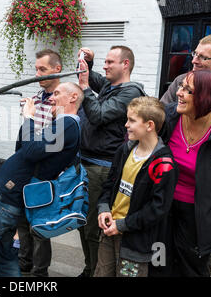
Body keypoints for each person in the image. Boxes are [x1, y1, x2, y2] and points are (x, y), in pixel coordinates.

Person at [0, 82, 84, 277]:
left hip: (3, 199)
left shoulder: (67, 123)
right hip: (9, 198)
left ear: (73, 98)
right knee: (4, 258)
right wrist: (28, 122)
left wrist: (29, 118)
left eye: (57, 93)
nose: (51, 98)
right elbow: (24, 149)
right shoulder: (63, 124)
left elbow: (30, 150)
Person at [153, 70, 211, 277]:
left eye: (187, 90)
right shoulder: (168, 117)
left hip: (198, 218)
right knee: (158, 264)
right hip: (162, 209)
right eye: (181, 87)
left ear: (207, 97)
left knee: (191, 270)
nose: (179, 93)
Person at [75, 45, 146, 277]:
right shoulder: (110, 84)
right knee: (83, 224)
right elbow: (94, 79)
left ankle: (96, 271)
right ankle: (89, 268)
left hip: (102, 168)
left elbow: (98, 115)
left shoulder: (130, 92)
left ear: (125, 65)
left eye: (109, 63)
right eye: (104, 62)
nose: (105, 67)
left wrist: (84, 87)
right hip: (87, 163)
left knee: (94, 229)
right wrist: (90, 64)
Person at [94, 96, 178, 277]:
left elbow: (157, 209)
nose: (126, 125)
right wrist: (103, 209)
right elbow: (109, 185)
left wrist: (123, 225)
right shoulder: (124, 150)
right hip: (109, 232)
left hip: (136, 243)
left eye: (132, 120)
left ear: (149, 125)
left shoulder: (164, 164)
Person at [17, 49, 62, 277]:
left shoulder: (63, 101)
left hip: (45, 170)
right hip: (27, 166)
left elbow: (51, 139)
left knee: (40, 224)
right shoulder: (36, 97)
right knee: (23, 220)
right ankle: (24, 263)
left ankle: (39, 273)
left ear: (57, 69)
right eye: (36, 69)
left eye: (42, 69)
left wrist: (30, 119)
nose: (37, 74)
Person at [161, 34, 211, 116]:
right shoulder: (181, 79)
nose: (194, 61)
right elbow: (161, 113)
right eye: (195, 54)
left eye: (203, 57)